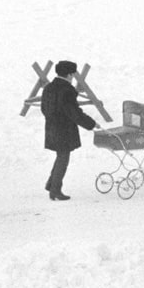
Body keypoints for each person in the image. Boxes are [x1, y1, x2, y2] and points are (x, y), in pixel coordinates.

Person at [41, 59, 98, 201]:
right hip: (64, 129)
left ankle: (51, 183)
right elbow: (74, 113)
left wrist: (52, 118)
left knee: (60, 155)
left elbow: (44, 108)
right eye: (72, 75)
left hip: (51, 127)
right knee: (63, 158)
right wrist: (91, 124)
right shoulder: (67, 90)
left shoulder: (48, 87)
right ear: (69, 75)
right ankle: (55, 190)